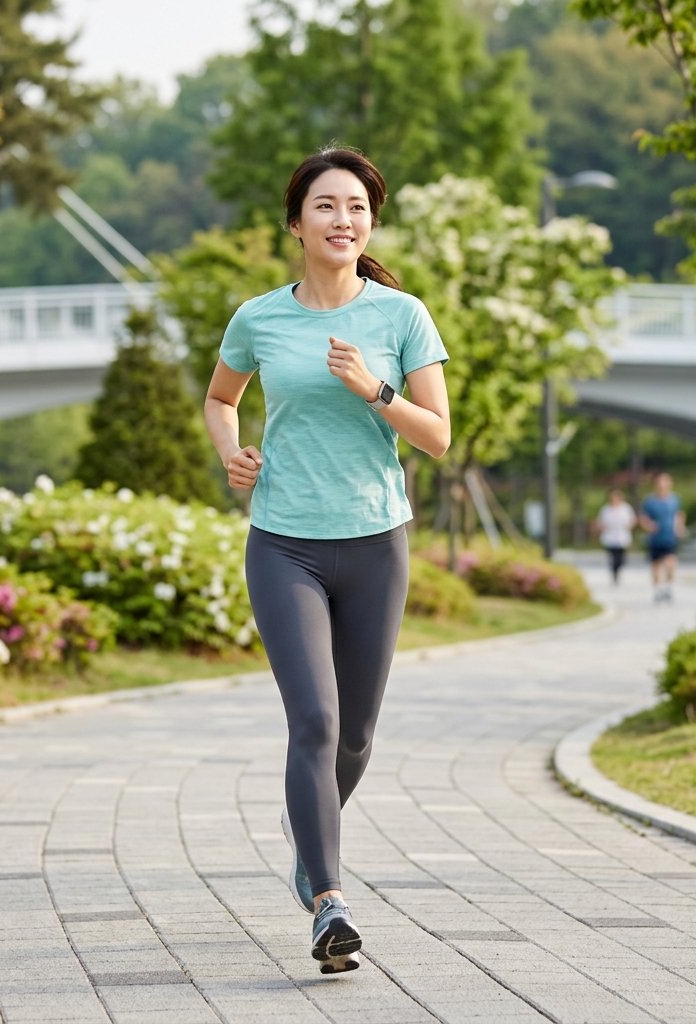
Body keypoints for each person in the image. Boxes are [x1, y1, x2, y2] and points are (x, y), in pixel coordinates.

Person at [203, 148, 450, 975]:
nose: (343, 220)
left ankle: (308, 840)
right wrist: (232, 453)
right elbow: (220, 397)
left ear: (370, 221)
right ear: (297, 221)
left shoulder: (403, 315)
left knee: (357, 734)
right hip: (284, 543)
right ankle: (329, 903)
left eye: (357, 208)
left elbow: (438, 437)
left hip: (376, 544)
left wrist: (374, 388)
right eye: (326, 207)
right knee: (314, 720)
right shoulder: (261, 317)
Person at [639, 472, 685, 602]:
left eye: (665, 482)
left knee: (671, 563)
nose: (662, 485)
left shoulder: (674, 499)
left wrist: (679, 527)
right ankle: (658, 589)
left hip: (670, 537)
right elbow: (643, 518)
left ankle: (669, 587)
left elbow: (679, 514)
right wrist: (649, 526)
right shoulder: (650, 501)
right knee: (656, 565)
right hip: (655, 539)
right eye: (660, 482)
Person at [595, 489, 637, 584]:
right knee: (613, 557)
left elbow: (632, 520)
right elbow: (600, 522)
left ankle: (618, 570)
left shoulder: (626, 508)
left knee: (621, 558)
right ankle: (614, 573)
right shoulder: (606, 509)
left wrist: (629, 525)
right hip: (610, 538)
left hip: (622, 538)